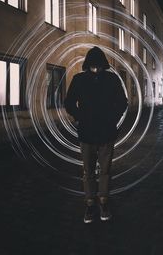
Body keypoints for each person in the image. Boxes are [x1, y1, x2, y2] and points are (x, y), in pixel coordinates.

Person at [64, 46, 128, 223]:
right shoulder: (79, 80)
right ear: (87, 65)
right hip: (87, 133)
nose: (96, 69)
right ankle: (90, 203)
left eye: (99, 66)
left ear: (104, 65)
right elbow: (69, 102)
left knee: (105, 171)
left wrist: (112, 119)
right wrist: (80, 117)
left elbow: (123, 102)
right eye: (93, 66)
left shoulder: (112, 79)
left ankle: (104, 201)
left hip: (106, 133)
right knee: (89, 171)